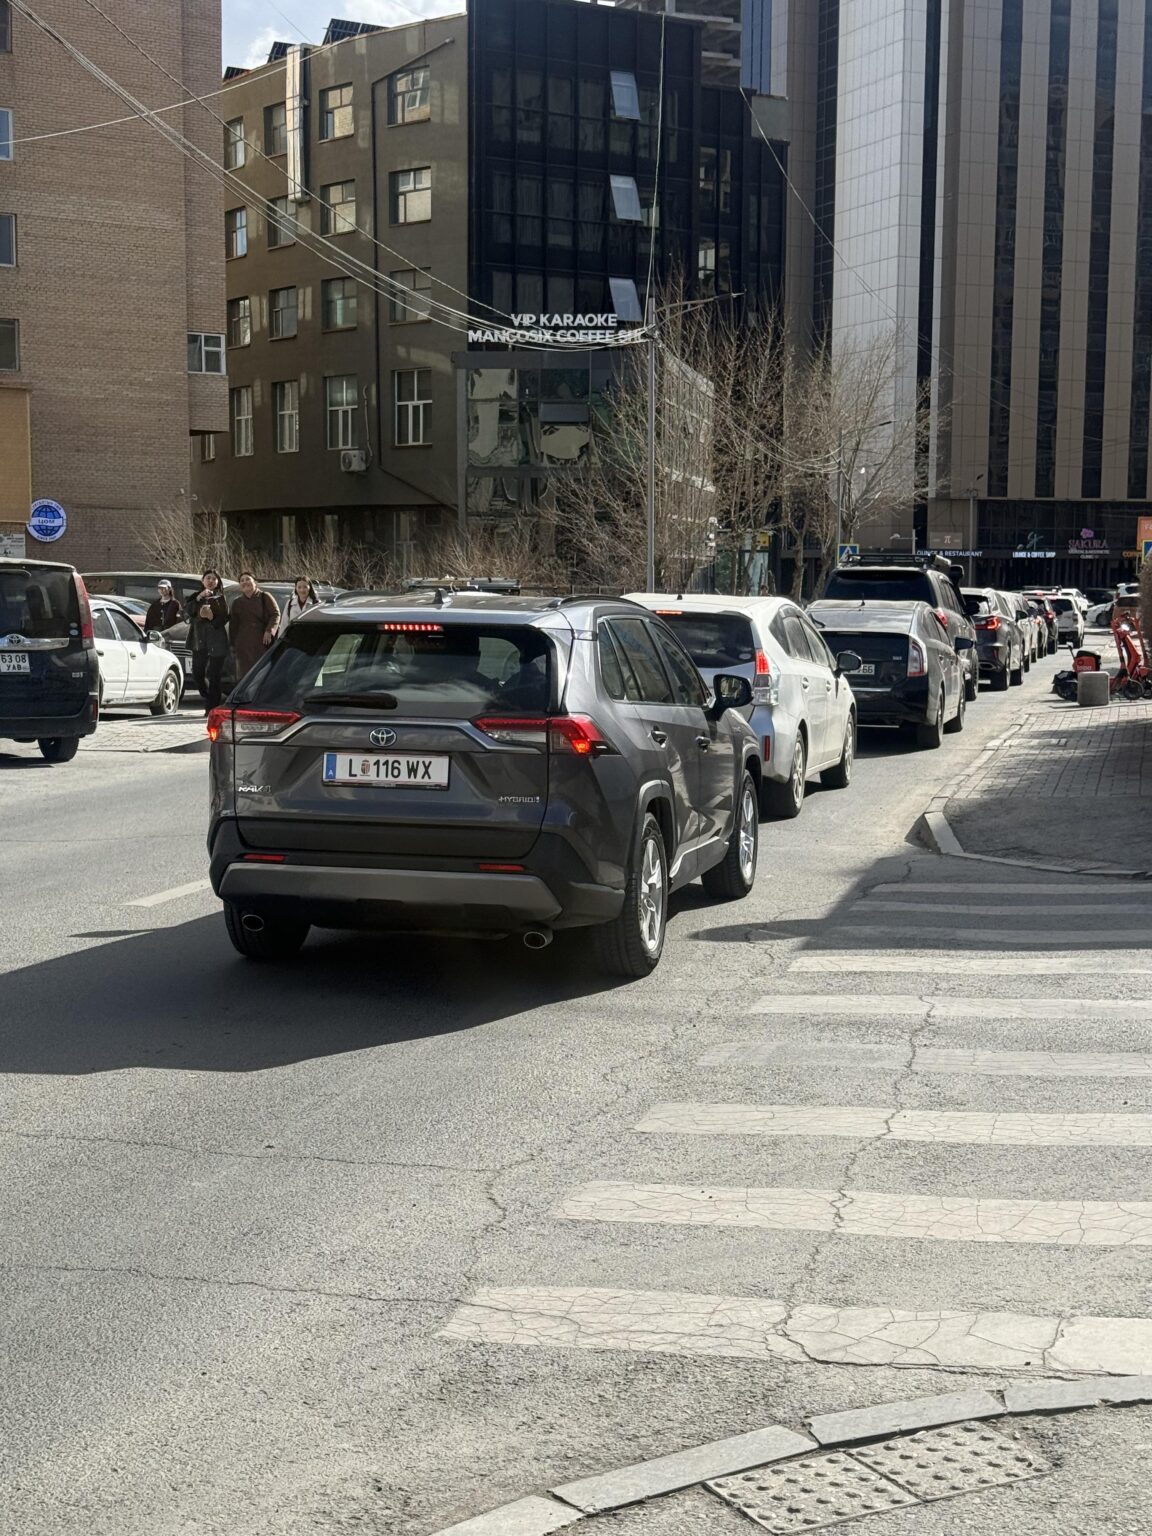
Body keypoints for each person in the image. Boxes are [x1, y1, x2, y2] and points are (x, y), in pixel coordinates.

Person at [185, 569, 230, 712]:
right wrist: (199, 599)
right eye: (208, 578)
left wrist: (212, 618)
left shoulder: (221, 598)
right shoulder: (194, 597)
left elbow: (224, 618)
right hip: (199, 640)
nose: (211, 581)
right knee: (197, 673)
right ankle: (206, 695)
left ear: (217, 582)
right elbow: (188, 613)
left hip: (216, 641)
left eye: (214, 579)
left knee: (214, 675)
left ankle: (211, 707)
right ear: (202, 581)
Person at [229, 572, 280, 679]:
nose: (245, 582)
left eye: (247, 579)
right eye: (242, 580)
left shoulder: (265, 597)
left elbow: (275, 614)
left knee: (261, 675)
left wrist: (269, 630)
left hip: (261, 642)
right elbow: (233, 625)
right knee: (244, 677)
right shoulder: (237, 602)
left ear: (255, 582)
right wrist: (233, 645)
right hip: (243, 645)